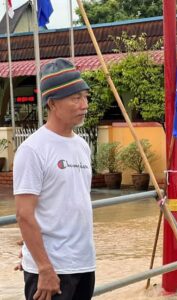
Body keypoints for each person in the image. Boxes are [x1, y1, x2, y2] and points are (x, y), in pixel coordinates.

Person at [14, 58, 95, 300]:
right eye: (75, 98)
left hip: (83, 262)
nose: (84, 105)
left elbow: (71, 204)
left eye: (85, 97)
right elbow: (24, 214)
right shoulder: (33, 149)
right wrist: (42, 266)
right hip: (51, 270)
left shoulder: (81, 146)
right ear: (51, 103)